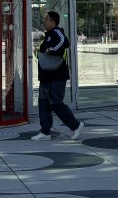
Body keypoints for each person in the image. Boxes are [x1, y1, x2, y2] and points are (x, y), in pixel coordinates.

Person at [31, 11, 84, 142]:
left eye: (46, 19)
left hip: (57, 76)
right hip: (46, 76)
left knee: (55, 103)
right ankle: (45, 132)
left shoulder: (57, 32)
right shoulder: (48, 35)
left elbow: (64, 42)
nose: (44, 21)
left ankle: (76, 125)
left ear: (53, 22)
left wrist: (52, 49)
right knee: (43, 103)